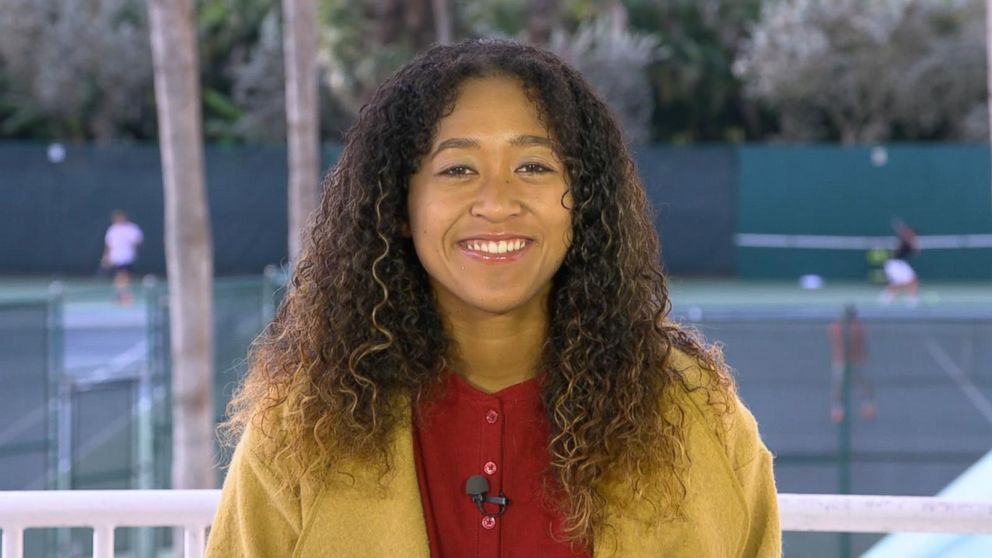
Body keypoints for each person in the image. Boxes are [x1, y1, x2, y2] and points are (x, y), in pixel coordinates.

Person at [206, 39, 780, 557]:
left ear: (582, 202)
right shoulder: (302, 429)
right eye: (457, 168)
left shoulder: (697, 415)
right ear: (399, 208)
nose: (497, 201)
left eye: (533, 165)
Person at [829, 305, 877, 424]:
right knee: (854, 384)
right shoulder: (857, 328)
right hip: (850, 361)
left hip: (847, 361)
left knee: (844, 385)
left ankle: (840, 409)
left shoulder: (836, 327)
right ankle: (865, 406)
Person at [101, 210, 143, 305]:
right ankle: (121, 294)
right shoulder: (112, 230)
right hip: (117, 257)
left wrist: (132, 244)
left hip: (128, 256)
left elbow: (138, 240)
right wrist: (106, 257)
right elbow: (109, 245)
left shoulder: (131, 228)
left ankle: (125, 294)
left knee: (126, 275)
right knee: (120, 274)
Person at [880, 219, 920, 307]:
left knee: (913, 280)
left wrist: (914, 243)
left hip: (900, 264)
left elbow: (916, 251)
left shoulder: (912, 242)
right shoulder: (904, 241)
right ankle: (886, 299)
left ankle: (912, 301)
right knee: (899, 283)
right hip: (894, 264)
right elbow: (904, 244)